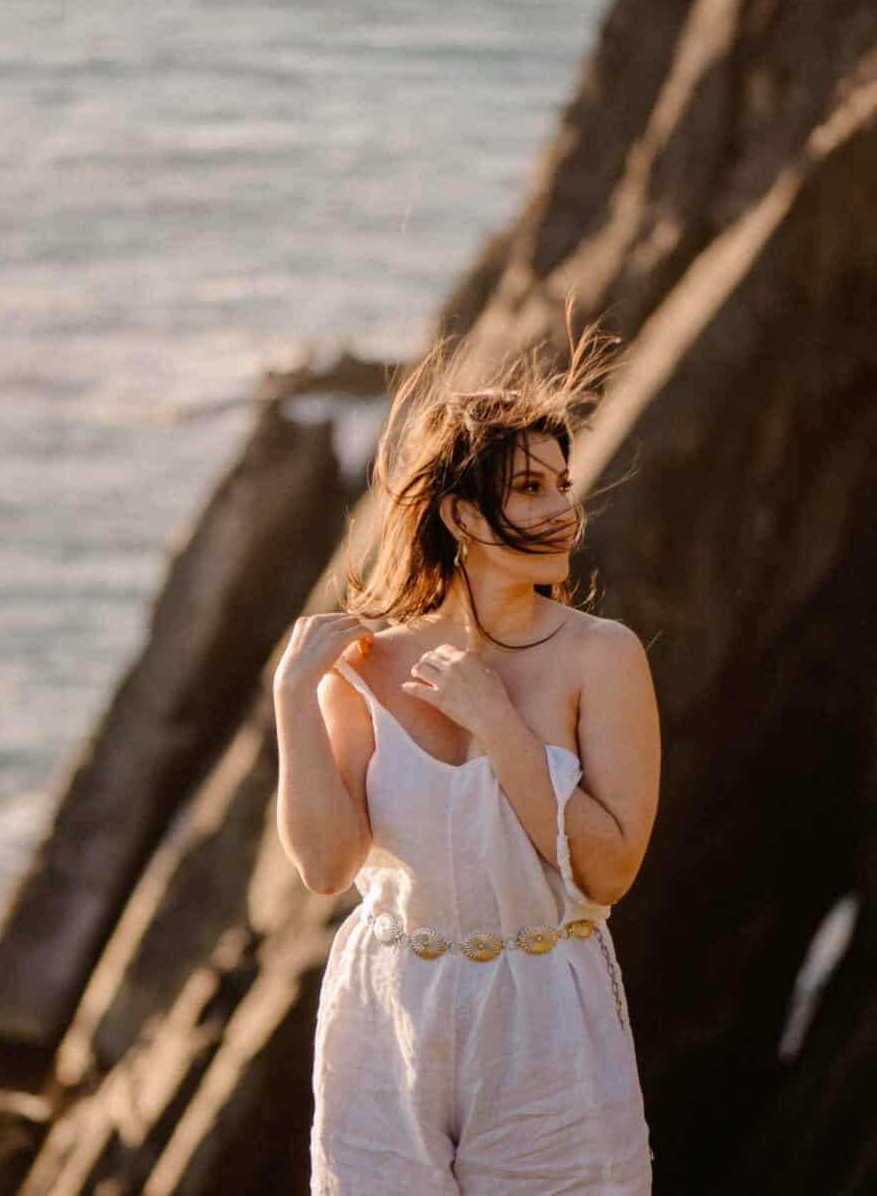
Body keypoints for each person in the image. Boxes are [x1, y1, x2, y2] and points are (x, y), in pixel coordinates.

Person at [272, 310, 659, 1194]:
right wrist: (293, 701)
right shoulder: (363, 669)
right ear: (458, 511)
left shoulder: (602, 657)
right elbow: (328, 866)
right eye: (530, 488)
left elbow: (610, 869)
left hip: (546, 1032)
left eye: (564, 482)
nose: (563, 507)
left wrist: (500, 725)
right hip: (386, 1023)